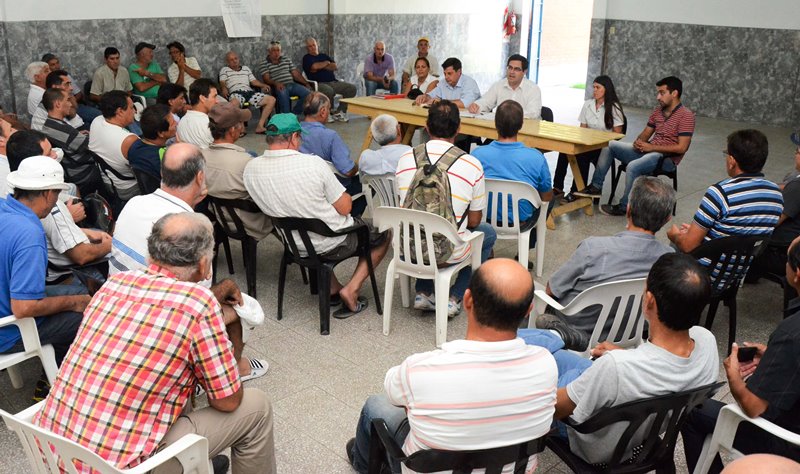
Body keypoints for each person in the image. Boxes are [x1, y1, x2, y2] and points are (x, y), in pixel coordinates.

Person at [33, 212, 276, 474]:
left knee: (172, 375)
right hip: (122, 468)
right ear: (204, 265)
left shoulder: (114, 285)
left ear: (151, 256)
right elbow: (227, 401)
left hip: (53, 454)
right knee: (257, 407)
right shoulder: (198, 303)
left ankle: (192, 462)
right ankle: (186, 459)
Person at [347, 258, 557, 474]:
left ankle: (362, 463)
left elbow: (392, 392)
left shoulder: (421, 369)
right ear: (528, 310)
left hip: (429, 466)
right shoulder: (546, 364)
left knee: (376, 405)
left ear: (467, 300)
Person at [519, 252, 719, 466]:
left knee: (537, 366)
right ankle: (553, 338)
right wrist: (625, 355)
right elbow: (660, 368)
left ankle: (548, 338)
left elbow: (556, 408)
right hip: (638, 428)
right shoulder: (706, 342)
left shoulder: (616, 367)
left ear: (649, 300)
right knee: (555, 355)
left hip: (593, 443)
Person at [110, 143, 268, 382]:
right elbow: (198, 304)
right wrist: (226, 287)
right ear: (200, 177)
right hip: (156, 324)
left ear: (163, 174)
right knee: (241, 307)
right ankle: (232, 370)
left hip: (120, 309)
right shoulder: (191, 229)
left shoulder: (133, 203)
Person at [243, 114, 391, 316]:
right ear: (293, 137)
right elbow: (345, 207)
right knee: (383, 232)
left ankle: (333, 288)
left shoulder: (251, 169)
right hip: (332, 242)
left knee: (310, 222)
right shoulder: (313, 164)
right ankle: (352, 288)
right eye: (300, 137)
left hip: (293, 243)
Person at [681, 235, 800, 472]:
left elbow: (754, 407)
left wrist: (734, 377)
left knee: (692, 411)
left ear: (797, 274)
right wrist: (776, 356)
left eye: (787, 260)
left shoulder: (792, 332)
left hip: (788, 442)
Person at [535, 176, 675, 351]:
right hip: (628, 336)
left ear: (628, 209)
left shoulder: (593, 249)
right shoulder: (668, 260)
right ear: (667, 219)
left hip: (576, 330)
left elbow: (552, 289)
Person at [0, 156, 90, 400]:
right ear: (49, 194)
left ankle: (53, 366)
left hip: (5, 299)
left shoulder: (4, 208)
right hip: (8, 330)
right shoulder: (29, 233)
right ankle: (60, 388)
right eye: (57, 193)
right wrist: (74, 303)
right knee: (86, 315)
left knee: (81, 294)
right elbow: (24, 308)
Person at [395, 100, 497, 317]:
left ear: (426, 127)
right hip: (448, 252)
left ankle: (423, 292)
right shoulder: (471, 164)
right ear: (459, 128)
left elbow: (402, 205)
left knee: (421, 222)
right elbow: (474, 221)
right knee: (487, 233)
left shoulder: (405, 158)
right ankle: (455, 297)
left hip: (407, 248)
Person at [576, 76, 695, 216]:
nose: (658, 97)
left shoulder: (686, 116)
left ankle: (624, 206)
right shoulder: (658, 111)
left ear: (674, 93)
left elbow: (682, 148)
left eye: (662, 93)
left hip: (666, 159)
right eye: (658, 93)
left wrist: (651, 147)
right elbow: (646, 134)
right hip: (649, 151)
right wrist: (639, 142)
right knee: (610, 145)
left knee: (633, 166)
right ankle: (596, 187)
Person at [668, 129, 783, 253]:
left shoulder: (720, 193)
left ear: (732, 161)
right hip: (745, 263)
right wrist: (696, 232)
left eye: (726, 153)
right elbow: (743, 231)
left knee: (675, 244)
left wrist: (675, 235)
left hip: (707, 263)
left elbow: (688, 246)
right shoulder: (776, 194)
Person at [472, 100, 553, 250]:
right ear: (521, 125)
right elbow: (546, 196)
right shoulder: (536, 157)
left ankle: (488, 249)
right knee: (550, 199)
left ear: (495, 124)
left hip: (484, 217)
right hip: (522, 221)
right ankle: (526, 247)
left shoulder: (477, 154)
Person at [203, 102, 273, 241]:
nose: (242, 127)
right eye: (241, 123)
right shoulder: (246, 162)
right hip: (250, 223)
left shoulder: (200, 156)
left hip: (221, 218)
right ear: (232, 130)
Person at [552, 75, 625, 202]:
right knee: (564, 149)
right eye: (594, 87)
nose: (594, 90)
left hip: (604, 148)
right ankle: (558, 187)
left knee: (581, 156)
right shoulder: (588, 104)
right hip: (588, 143)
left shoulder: (614, 108)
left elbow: (617, 135)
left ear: (606, 89)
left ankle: (576, 191)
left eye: (598, 87)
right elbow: (582, 129)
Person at [299, 92, 366, 217]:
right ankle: (351, 218)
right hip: (332, 189)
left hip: (304, 185)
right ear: (323, 111)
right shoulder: (330, 136)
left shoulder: (294, 133)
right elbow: (347, 170)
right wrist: (358, 166)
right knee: (369, 180)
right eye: (329, 109)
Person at [746, 131, 800, 283]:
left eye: (797, 151)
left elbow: (773, 221)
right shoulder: (795, 181)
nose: (795, 154)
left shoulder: (797, 187)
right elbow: (786, 186)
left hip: (780, 248)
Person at [40, 88, 105, 197]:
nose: (71, 104)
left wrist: (77, 134)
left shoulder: (48, 125)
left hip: (70, 171)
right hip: (83, 174)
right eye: (67, 100)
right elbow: (92, 146)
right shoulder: (65, 131)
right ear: (58, 104)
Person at [88, 90, 140, 200]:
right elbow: (145, 173)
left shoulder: (97, 121)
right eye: (131, 108)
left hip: (107, 181)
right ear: (120, 112)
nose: (135, 111)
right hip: (128, 189)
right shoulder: (129, 140)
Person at [468, 54, 541, 119]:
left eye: (516, 69)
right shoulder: (499, 85)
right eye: (510, 68)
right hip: (502, 126)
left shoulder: (533, 89)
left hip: (526, 126)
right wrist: (476, 105)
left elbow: (533, 113)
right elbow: (486, 101)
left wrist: (510, 114)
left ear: (524, 71)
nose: (512, 72)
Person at [301, 37, 356, 121]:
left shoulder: (324, 56)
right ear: (307, 48)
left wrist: (320, 66)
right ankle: (328, 112)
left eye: (314, 45)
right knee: (329, 91)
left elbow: (334, 66)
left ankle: (340, 112)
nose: (313, 47)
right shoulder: (307, 58)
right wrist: (326, 63)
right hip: (319, 84)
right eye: (310, 46)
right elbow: (314, 67)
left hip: (333, 82)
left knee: (352, 88)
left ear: (317, 45)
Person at [219, 51, 274, 134]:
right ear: (227, 62)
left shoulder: (246, 69)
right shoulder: (224, 70)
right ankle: (242, 128)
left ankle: (260, 126)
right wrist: (224, 88)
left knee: (271, 100)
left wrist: (263, 85)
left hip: (249, 92)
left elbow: (254, 81)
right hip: (236, 92)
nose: (234, 61)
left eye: (236, 58)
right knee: (233, 103)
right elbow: (222, 82)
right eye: (231, 60)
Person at [40, 53, 101, 124]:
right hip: (62, 110)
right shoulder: (44, 81)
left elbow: (78, 94)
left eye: (57, 63)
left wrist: (69, 101)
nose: (57, 66)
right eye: (53, 65)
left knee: (100, 116)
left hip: (75, 106)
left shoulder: (65, 76)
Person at [256, 41, 313, 116]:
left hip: (291, 84)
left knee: (308, 93)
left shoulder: (286, 59)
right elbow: (266, 79)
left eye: (278, 50)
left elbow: (295, 74)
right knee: (283, 92)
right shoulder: (264, 63)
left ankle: (294, 114)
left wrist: (306, 83)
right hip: (277, 86)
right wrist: (276, 83)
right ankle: (286, 116)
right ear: (269, 51)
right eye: (274, 50)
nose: (276, 53)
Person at [128, 104, 177, 179]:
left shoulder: (134, 146)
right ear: (161, 133)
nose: (176, 123)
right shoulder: (164, 158)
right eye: (173, 123)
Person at [414, 57, 481, 109]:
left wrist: (442, 102)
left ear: (459, 71)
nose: (446, 77)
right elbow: (431, 96)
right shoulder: (443, 82)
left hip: (469, 120)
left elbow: (465, 104)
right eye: (445, 74)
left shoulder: (469, 83)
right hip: (447, 118)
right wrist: (424, 97)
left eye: (449, 73)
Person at [176, 78, 220, 148]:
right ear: (202, 98)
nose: (217, 101)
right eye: (214, 96)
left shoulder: (181, 122)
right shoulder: (208, 124)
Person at [129, 42, 167, 106]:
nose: (152, 55)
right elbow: (141, 87)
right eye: (150, 52)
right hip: (147, 99)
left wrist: (147, 73)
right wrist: (156, 82)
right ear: (142, 54)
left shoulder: (154, 64)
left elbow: (163, 79)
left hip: (161, 95)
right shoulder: (133, 68)